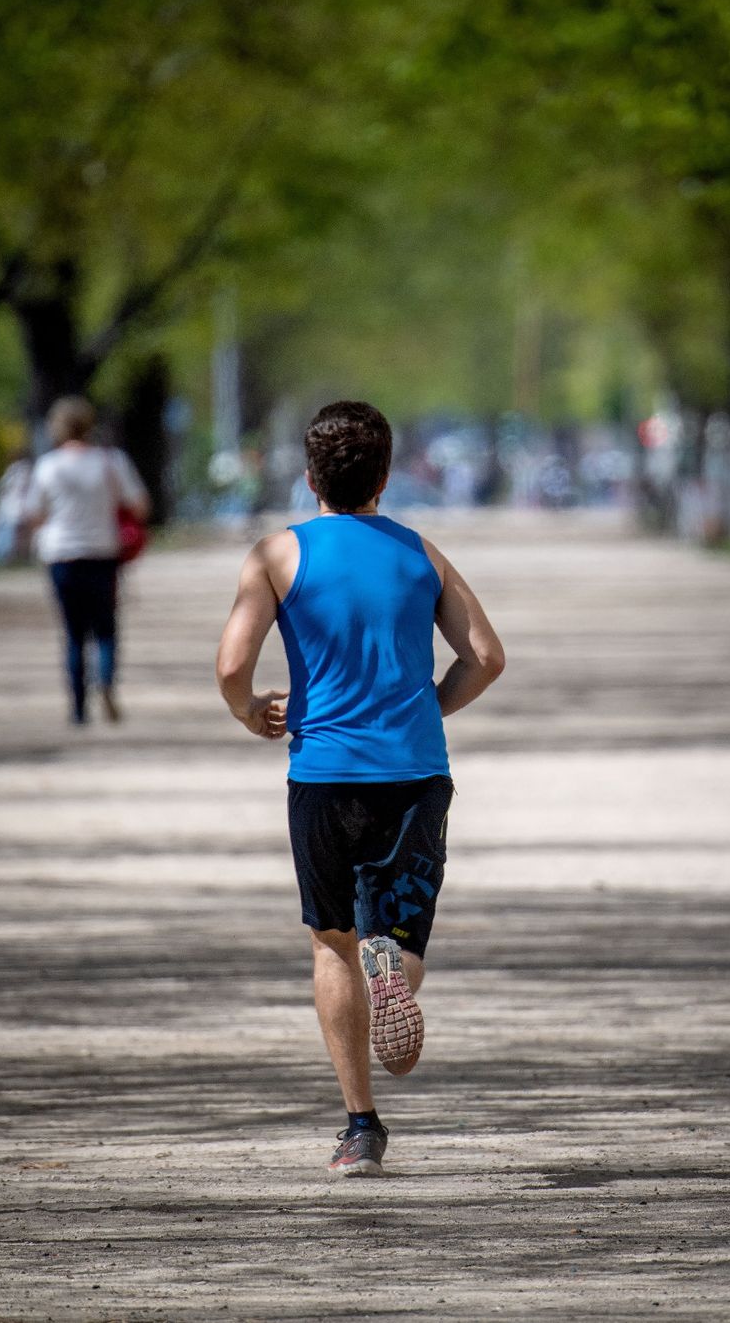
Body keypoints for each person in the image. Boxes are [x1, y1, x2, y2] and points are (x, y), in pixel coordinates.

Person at [214, 400, 505, 1177]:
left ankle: (360, 1126)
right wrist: (428, 703)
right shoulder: (420, 554)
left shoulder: (275, 557)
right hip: (415, 772)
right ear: (385, 474)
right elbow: (485, 655)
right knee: (398, 939)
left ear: (310, 477)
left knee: (330, 944)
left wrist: (252, 714)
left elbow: (231, 668)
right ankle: (394, 968)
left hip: (322, 775)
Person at [26, 396, 148, 725]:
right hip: (102, 553)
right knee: (106, 629)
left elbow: (34, 513)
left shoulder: (48, 465)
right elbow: (139, 504)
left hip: (61, 555)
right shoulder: (111, 462)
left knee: (73, 632)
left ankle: (78, 708)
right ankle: (106, 681)